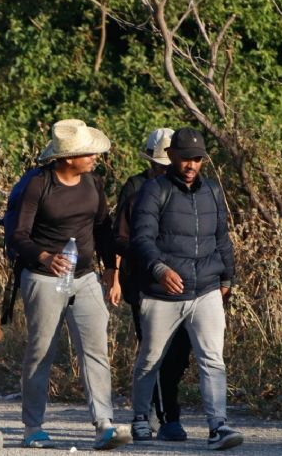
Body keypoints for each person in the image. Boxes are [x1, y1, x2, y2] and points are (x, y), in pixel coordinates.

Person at [12, 119, 131, 450]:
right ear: (67, 158)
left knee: (95, 350)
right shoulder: (39, 185)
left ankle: (104, 424)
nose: (95, 156)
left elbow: (103, 229)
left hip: (85, 278)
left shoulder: (93, 183)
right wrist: (45, 256)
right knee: (41, 352)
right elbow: (17, 235)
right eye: (87, 152)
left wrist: (112, 270)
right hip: (43, 279)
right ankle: (32, 427)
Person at [130, 127, 243, 450]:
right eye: (185, 158)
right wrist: (159, 268)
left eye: (197, 159)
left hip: (206, 287)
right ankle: (140, 417)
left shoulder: (212, 191)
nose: (191, 165)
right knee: (151, 359)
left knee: (212, 359)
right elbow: (141, 239)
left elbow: (222, 238)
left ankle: (217, 425)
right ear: (172, 157)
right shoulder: (154, 190)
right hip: (162, 292)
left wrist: (227, 279)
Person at [113, 128, 193, 442]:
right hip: (144, 283)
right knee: (154, 351)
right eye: (160, 165)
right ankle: (163, 417)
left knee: (180, 353)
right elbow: (118, 236)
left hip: (186, 283)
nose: (165, 169)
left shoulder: (191, 189)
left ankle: (161, 413)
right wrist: (117, 274)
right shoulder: (134, 189)